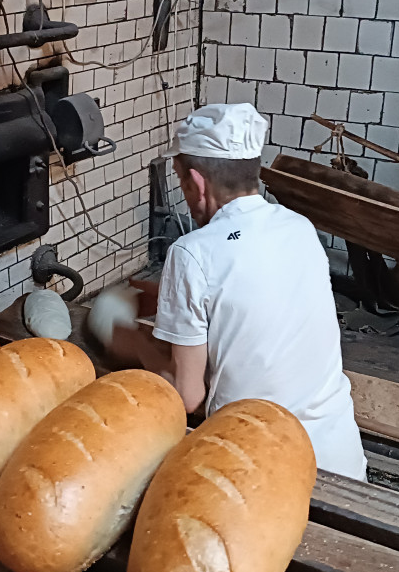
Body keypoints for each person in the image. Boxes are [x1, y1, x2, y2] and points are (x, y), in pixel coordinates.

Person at [106, 103, 367, 480]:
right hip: (340, 463)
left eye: (180, 181)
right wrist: (174, 302)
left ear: (196, 183)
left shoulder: (192, 252)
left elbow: (188, 397)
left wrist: (134, 343)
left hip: (260, 475)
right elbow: (253, 299)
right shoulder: (299, 227)